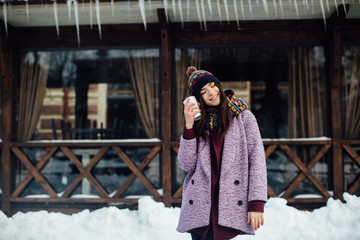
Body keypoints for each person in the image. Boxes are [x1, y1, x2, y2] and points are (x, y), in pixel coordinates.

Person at [176, 66, 268, 240]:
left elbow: (257, 160)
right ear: (198, 99)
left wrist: (256, 203)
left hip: (228, 204)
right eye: (204, 91)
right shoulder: (198, 123)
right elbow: (187, 165)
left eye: (213, 85)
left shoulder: (243, 117)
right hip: (201, 208)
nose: (211, 92)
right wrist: (188, 127)